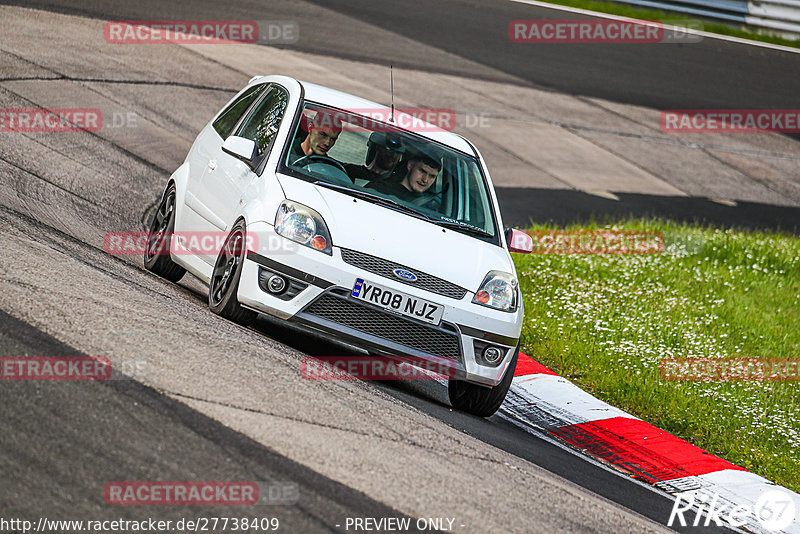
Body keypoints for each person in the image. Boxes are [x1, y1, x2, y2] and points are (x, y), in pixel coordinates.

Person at [367, 154, 441, 209]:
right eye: (422, 171)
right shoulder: (378, 190)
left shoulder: (432, 207)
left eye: (432, 176)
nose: (425, 180)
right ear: (410, 165)